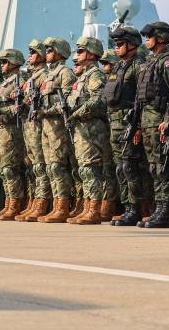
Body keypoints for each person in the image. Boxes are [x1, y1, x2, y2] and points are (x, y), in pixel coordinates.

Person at [102, 26, 148, 227]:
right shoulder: (119, 66)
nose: (117, 47)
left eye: (120, 44)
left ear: (132, 45)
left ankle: (135, 209)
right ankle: (127, 207)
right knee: (120, 168)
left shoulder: (139, 65)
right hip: (115, 124)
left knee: (130, 167)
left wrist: (138, 126)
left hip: (129, 123)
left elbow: (142, 98)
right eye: (116, 44)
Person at [136, 22, 169, 228]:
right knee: (154, 167)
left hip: (160, 121)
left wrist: (168, 119)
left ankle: (166, 209)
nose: (146, 39)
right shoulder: (148, 62)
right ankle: (159, 207)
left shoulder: (168, 62)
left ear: (161, 37)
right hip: (147, 122)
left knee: (163, 166)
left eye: (150, 35)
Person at [65, 36, 111, 225]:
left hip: (91, 128)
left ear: (91, 54)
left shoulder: (95, 75)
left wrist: (77, 113)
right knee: (84, 169)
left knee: (91, 169)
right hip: (81, 129)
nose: (77, 55)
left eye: (81, 51)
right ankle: (86, 207)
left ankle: (94, 210)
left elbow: (97, 99)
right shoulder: (83, 76)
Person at [37, 37, 77, 223]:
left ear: (60, 52)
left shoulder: (65, 73)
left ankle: (63, 206)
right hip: (46, 125)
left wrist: (46, 110)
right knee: (49, 167)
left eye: (50, 50)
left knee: (57, 166)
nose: (47, 53)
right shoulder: (47, 75)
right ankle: (55, 205)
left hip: (58, 126)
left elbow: (67, 101)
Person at [0, 49, 29, 221]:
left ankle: (15, 204)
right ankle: (8, 203)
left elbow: (22, 105)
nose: (2, 65)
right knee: (3, 170)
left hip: (11, 129)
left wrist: (1, 111)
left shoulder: (21, 80)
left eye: (5, 62)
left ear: (14, 63)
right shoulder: (3, 83)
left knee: (10, 169)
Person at [16, 41, 53, 222]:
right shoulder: (32, 77)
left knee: (40, 166)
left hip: (37, 125)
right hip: (28, 124)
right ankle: (33, 201)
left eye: (33, 52)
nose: (30, 55)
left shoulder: (44, 75)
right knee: (31, 167)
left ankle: (42, 203)